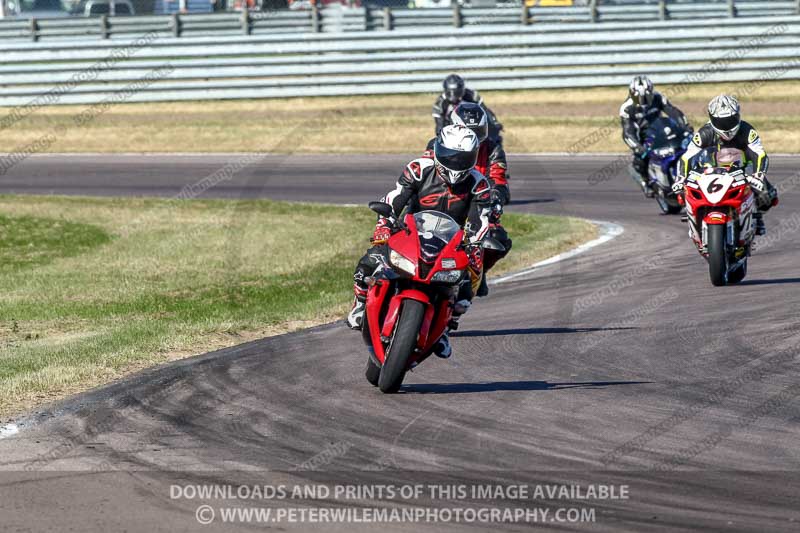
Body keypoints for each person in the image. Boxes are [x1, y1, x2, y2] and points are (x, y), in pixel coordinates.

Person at [347, 125, 494, 359]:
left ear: (474, 156)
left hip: (450, 243)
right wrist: (384, 224)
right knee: (369, 261)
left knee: (467, 284)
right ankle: (360, 303)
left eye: (462, 158)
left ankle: (446, 327)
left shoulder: (479, 185)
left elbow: (481, 220)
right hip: (409, 232)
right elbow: (395, 198)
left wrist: (474, 244)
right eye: (450, 156)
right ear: (438, 150)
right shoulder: (419, 169)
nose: (455, 163)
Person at [424, 102, 511, 296]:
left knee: (499, 240)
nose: (474, 137)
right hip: (438, 201)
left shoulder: (493, 150)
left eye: (478, 131)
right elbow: (425, 172)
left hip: (474, 203)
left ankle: (476, 272)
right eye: (468, 130)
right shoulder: (437, 143)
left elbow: (499, 179)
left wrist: (495, 197)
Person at [673, 94, 778, 235]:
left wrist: (758, 175)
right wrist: (680, 177)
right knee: (683, 192)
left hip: (742, 170)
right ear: (712, 119)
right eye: (722, 122)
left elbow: (759, 154)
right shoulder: (705, 133)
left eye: (731, 120)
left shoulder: (747, 131)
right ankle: (695, 215)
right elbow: (687, 156)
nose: (727, 126)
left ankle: (756, 215)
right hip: (711, 171)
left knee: (769, 195)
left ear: (738, 115)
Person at [620, 75, 691, 196]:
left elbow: (673, 111)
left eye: (647, 97)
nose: (644, 101)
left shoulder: (658, 97)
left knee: (685, 144)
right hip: (645, 137)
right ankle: (646, 181)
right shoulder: (626, 108)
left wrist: (684, 125)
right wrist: (637, 146)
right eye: (639, 98)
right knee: (640, 159)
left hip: (662, 130)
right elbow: (628, 131)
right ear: (632, 95)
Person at [433, 74, 502, 139]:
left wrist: (494, 123)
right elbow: (439, 124)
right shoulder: (440, 103)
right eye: (449, 92)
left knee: (495, 138)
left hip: (474, 126)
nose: (453, 96)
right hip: (452, 130)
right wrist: (442, 136)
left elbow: (485, 110)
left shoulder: (472, 96)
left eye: (456, 92)